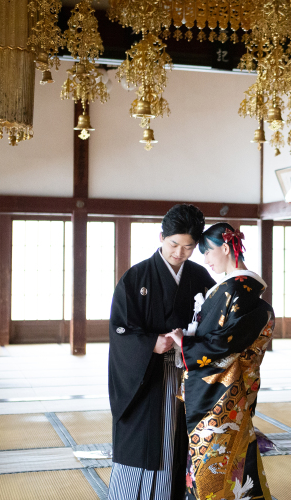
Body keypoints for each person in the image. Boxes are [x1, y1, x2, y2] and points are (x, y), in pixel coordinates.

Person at [107, 204, 217, 500]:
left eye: (188, 247)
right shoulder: (136, 278)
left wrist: (189, 345)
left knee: (182, 443)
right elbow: (119, 330)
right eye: (173, 244)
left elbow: (216, 328)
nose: (179, 253)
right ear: (161, 237)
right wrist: (150, 344)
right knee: (143, 443)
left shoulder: (200, 278)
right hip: (147, 377)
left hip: (188, 374)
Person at [167, 222, 274, 500]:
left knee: (211, 463)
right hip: (236, 390)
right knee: (237, 458)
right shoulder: (243, 290)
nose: (205, 260)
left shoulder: (233, 290)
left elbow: (225, 342)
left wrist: (185, 342)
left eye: (207, 252)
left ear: (225, 248)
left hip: (218, 395)